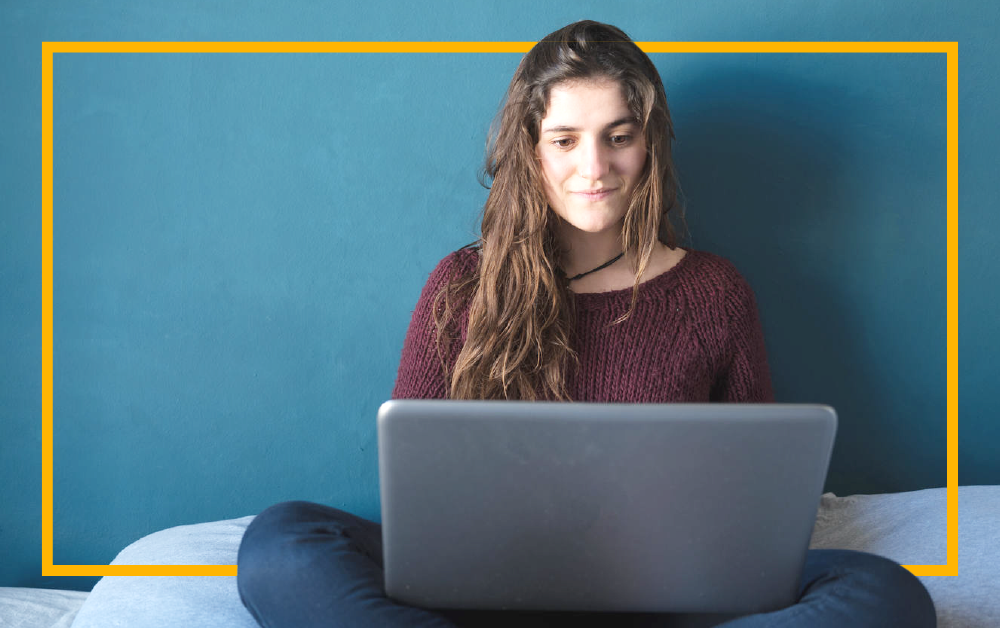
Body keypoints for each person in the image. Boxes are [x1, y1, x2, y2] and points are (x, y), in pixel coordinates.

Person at [237, 20, 936, 628]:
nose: (593, 167)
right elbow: (416, 488)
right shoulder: (462, 284)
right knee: (282, 542)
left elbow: (755, 503)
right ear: (532, 151)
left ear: (649, 144)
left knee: (882, 593)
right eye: (566, 140)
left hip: (666, 595)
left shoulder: (715, 292)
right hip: (483, 592)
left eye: (617, 137)